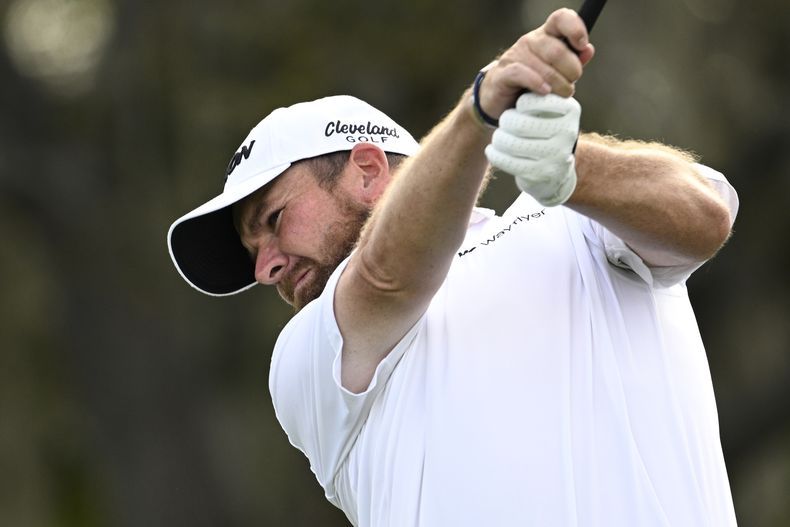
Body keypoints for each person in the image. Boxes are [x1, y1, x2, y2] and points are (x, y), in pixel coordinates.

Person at [167, 8, 738, 527]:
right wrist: (481, 113)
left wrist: (570, 165)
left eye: (273, 220)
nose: (265, 268)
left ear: (367, 171)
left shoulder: (572, 224)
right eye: (253, 253)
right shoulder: (306, 359)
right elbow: (390, 275)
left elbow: (706, 217)